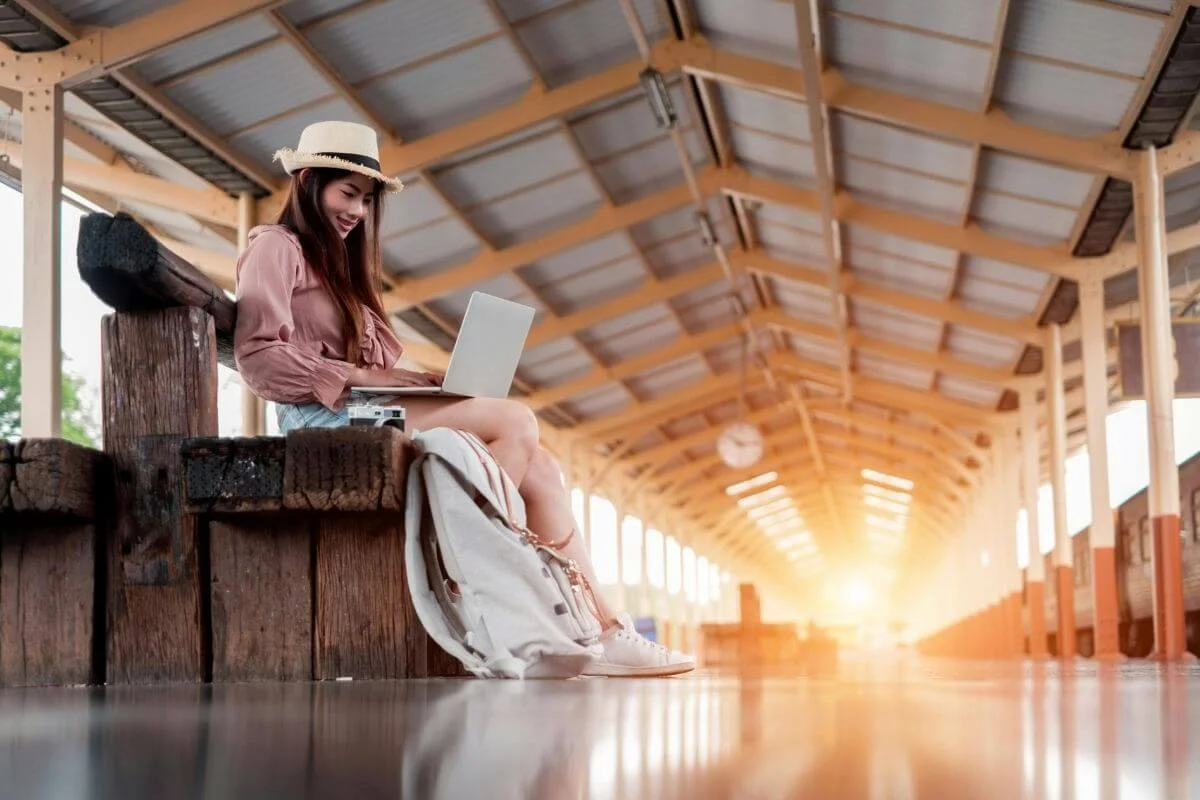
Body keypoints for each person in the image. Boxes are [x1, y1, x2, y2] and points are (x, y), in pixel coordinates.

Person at [233, 120, 694, 678]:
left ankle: (604, 631)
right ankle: (474, 580)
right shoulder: (275, 247)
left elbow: (364, 370)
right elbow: (257, 358)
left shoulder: (343, 270)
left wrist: (409, 379)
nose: (357, 211)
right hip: (324, 419)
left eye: (366, 200)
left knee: (544, 472)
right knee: (516, 421)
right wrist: (365, 377)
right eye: (347, 193)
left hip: (365, 410)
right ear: (308, 182)